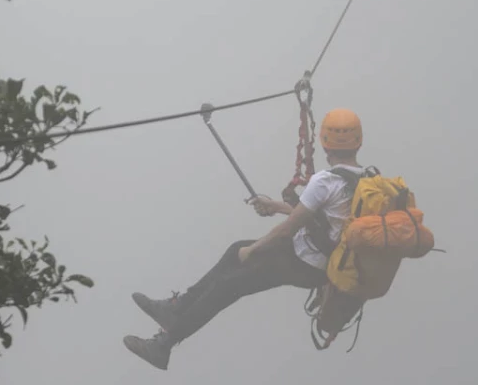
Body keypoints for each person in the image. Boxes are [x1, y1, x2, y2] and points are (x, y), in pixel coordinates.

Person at [123, 107, 369, 370]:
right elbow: (327, 216)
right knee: (235, 249)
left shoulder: (326, 180)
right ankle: (178, 305)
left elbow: (288, 229)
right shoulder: (364, 179)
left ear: (324, 142)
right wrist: (275, 206)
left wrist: (255, 250)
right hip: (322, 261)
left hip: (307, 262)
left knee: (229, 285)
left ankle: (164, 344)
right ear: (358, 142)